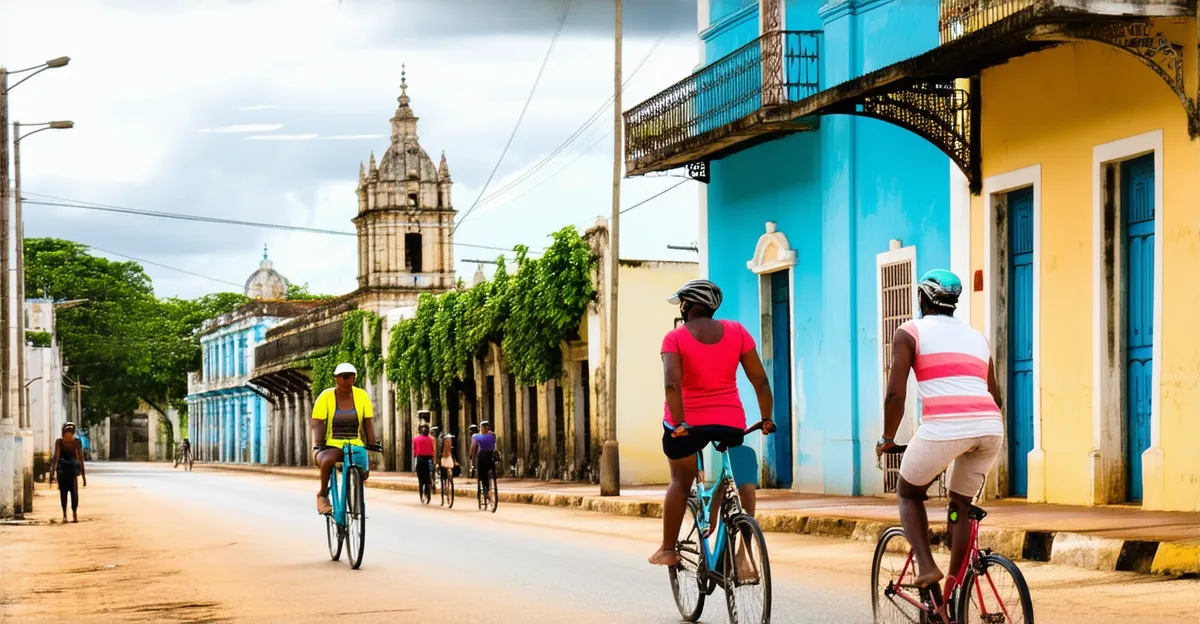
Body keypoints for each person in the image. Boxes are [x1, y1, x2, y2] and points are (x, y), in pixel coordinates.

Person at [876, 269, 1003, 593]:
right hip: (989, 427)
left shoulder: (910, 332)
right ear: (953, 302)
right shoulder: (977, 337)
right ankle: (952, 592)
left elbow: (895, 394)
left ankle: (927, 566)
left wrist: (888, 439)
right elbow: (996, 395)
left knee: (909, 493)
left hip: (944, 428)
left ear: (922, 298)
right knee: (960, 506)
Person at [650, 279, 775, 570]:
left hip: (687, 425)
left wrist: (679, 422)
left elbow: (672, 384)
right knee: (733, 469)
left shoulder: (675, 338)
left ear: (688, 306)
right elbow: (760, 380)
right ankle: (739, 545)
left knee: (681, 480)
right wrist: (766, 417)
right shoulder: (737, 332)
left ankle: (668, 548)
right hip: (729, 422)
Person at [311, 362, 378, 514]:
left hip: (355, 445)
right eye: (343, 377)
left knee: (363, 473)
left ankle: (352, 495)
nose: (347, 380)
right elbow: (317, 422)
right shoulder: (326, 396)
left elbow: (368, 422)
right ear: (337, 379)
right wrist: (319, 443)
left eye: (350, 377)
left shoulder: (361, 395)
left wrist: (372, 443)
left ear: (354, 379)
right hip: (332, 445)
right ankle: (322, 494)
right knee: (328, 460)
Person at [49, 421, 87, 523]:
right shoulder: (77, 442)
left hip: (62, 472)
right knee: (74, 493)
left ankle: (65, 515)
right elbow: (81, 459)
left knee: (63, 494)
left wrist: (52, 473)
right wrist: (83, 477)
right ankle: (74, 514)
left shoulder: (59, 442)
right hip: (73, 472)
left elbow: (56, 458)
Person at [470, 421, 497, 488]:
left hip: (483, 457)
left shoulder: (476, 436)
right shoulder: (492, 435)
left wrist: (473, 463)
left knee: (482, 471)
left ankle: (484, 486)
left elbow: (473, 450)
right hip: (490, 457)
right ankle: (486, 486)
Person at [413, 423, 436, 497]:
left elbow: (415, 452)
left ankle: (423, 486)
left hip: (420, 459)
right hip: (429, 459)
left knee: (420, 476)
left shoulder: (416, 439)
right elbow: (433, 450)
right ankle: (431, 484)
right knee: (430, 472)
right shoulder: (432, 439)